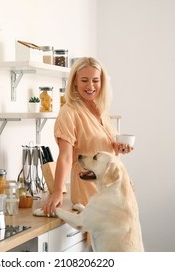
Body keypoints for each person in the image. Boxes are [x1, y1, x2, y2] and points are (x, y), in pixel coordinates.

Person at [42, 57, 133, 216]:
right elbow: (65, 157)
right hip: (89, 189)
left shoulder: (101, 109)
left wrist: (117, 147)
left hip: (112, 189)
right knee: (97, 238)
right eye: (84, 80)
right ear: (75, 82)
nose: (90, 86)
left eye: (95, 80)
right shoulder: (69, 112)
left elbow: (103, 146)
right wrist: (57, 192)